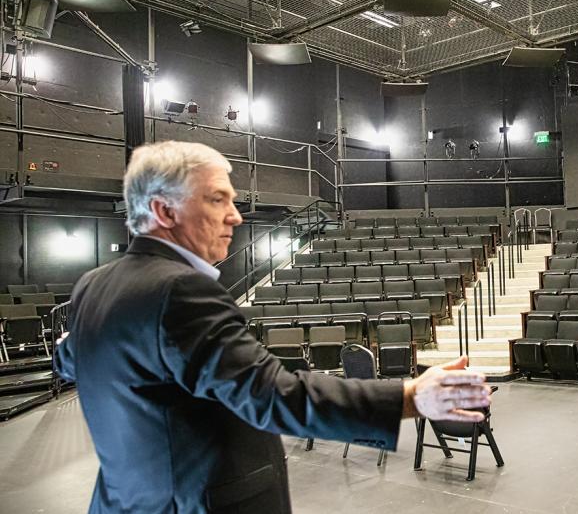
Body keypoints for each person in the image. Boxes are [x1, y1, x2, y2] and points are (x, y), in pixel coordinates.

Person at [53, 141, 491, 514]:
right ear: (164, 210)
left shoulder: (94, 286)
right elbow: (273, 396)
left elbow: (68, 360)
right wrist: (410, 397)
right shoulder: (180, 290)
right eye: (217, 199)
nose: (236, 216)